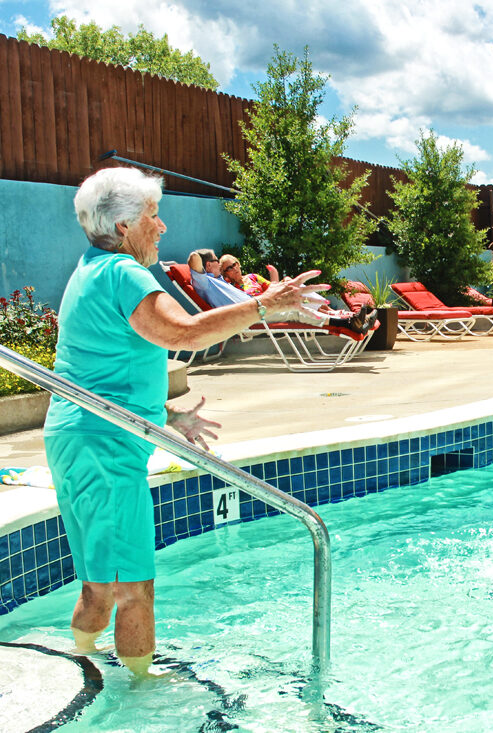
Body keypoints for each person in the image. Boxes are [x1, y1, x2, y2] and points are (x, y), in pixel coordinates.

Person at [44, 166, 328, 677]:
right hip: (104, 446)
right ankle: (141, 698)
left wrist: (166, 413)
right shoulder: (123, 273)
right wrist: (263, 306)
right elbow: (186, 335)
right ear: (124, 226)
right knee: (134, 588)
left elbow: (98, 366)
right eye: (153, 215)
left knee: (100, 582)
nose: (162, 226)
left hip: (78, 435)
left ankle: (77, 666)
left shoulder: (87, 269)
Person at [190, 250, 376, 334]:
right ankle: (348, 323)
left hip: (257, 306)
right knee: (294, 310)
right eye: (218, 262)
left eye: (235, 265)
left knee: (294, 296)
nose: (234, 269)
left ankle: (352, 320)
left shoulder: (221, 281)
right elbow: (193, 258)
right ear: (208, 265)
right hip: (245, 315)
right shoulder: (205, 282)